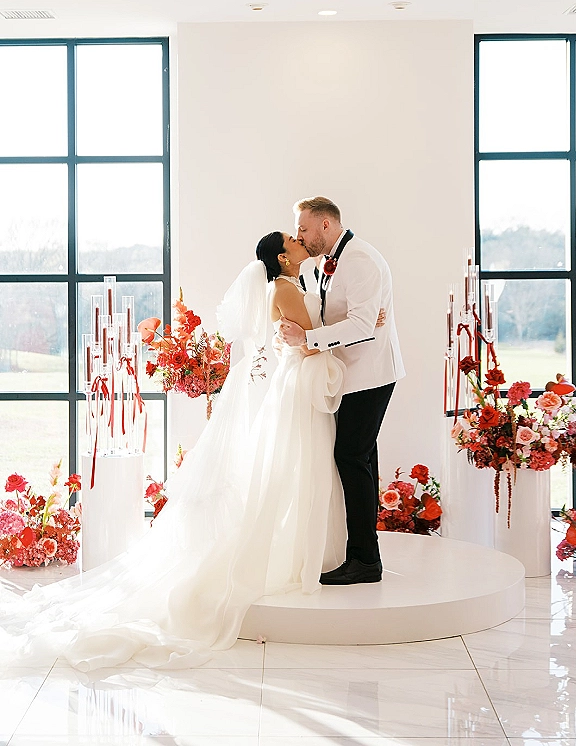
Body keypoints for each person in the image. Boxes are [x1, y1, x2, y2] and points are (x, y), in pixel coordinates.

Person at [0, 231, 348, 671]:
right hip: (295, 387)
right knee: (294, 469)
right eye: (294, 240)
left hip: (286, 384)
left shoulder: (281, 286)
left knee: (284, 470)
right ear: (283, 256)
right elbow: (312, 340)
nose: (301, 241)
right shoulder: (284, 288)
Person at [279, 197, 405, 586]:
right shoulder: (325, 262)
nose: (299, 235)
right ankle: (366, 550)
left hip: (370, 373)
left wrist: (310, 338)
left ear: (326, 226)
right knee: (360, 457)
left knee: (350, 456)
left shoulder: (361, 259)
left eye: (303, 228)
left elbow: (363, 326)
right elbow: (346, 316)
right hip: (348, 373)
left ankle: (365, 560)